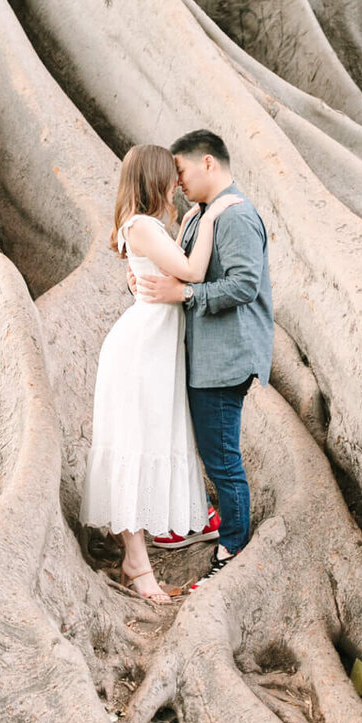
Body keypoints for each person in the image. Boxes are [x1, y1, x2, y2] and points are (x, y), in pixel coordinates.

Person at [80, 145, 241, 602]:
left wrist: (196, 220)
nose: (178, 181)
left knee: (147, 444)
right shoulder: (143, 225)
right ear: (156, 177)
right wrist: (212, 214)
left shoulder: (146, 226)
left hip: (152, 350)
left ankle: (140, 553)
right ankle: (136, 563)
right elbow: (191, 270)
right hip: (140, 353)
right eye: (171, 173)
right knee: (135, 446)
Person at [136, 130, 273, 587]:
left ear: (208, 163)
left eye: (181, 171)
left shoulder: (234, 216)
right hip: (203, 357)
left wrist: (187, 292)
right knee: (207, 450)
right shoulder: (201, 214)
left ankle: (233, 548)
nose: (176, 183)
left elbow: (243, 284)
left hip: (225, 358)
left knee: (223, 460)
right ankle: (205, 521)